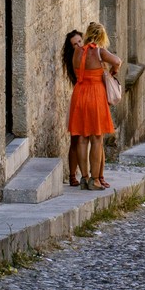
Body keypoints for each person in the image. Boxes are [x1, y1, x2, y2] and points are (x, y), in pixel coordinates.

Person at [67, 21, 121, 190]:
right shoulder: (99, 51)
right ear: (101, 36)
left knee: (82, 138)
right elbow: (117, 61)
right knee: (96, 138)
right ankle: (95, 179)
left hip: (79, 93)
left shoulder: (77, 51)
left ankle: (84, 178)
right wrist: (113, 72)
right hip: (94, 94)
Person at [61, 29, 86, 187]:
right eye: (74, 44)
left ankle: (87, 174)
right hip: (79, 98)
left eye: (79, 41)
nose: (78, 45)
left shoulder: (88, 53)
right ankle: (72, 175)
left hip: (88, 97)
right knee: (75, 138)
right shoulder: (75, 58)